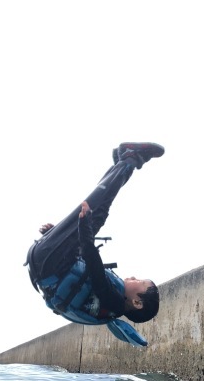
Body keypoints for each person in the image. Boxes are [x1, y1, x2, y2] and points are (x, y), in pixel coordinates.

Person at [24, 142, 164, 347]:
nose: (134, 277)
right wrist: (58, 235)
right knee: (98, 213)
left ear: (137, 302)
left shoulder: (113, 300)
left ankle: (131, 158)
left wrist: (82, 226)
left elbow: (92, 260)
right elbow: (81, 267)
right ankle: (123, 162)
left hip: (49, 264)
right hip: (47, 263)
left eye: (140, 282)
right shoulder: (109, 306)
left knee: (96, 210)